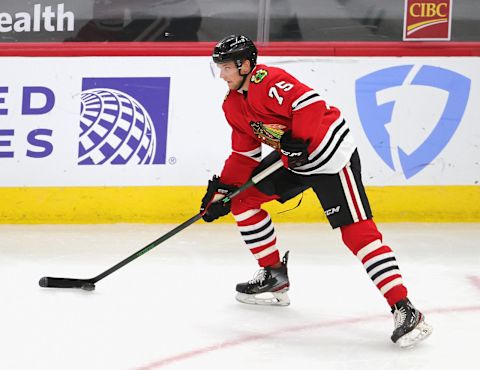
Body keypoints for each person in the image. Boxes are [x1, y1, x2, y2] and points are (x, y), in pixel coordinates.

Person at [200, 34, 432, 348]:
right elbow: (244, 155)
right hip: (295, 161)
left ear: (245, 65)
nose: (222, 74)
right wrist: (222, 191)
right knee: (242, 201)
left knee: (357, 234)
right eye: (220, 67)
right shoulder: (233, 106)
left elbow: (310, 105)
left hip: (330, 155)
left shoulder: (268, 81)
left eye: (227, 67)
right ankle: (274, 276)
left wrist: (302, 140)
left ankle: (405, 308)